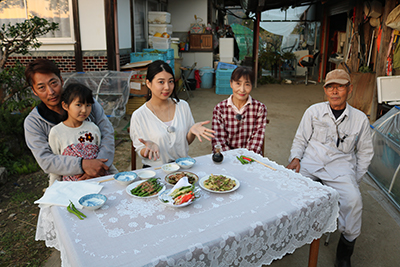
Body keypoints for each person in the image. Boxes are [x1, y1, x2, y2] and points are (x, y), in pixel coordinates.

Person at [286, 69, 374, 267]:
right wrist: (295, 158)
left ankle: (344, 254)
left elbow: (366, 153)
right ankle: (287, 240)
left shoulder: (360, 119)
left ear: (349, 89)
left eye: (340, 86)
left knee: (353, 201)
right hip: (310, 163)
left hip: (341, 168)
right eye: (330, 87)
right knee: (289, 193)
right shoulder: (313, 111)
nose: (335, 91)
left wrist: (354, 179)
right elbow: (300, 139)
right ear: (325, 90)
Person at [24, 58, 117, 184]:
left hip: (101, 174)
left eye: (54, 83)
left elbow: (107, 133)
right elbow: (46, 160)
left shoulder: (87, 104)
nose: (51, 92)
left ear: (61, 80)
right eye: (41, 87)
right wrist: (83, 165)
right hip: (66, 183)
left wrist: (97, 167)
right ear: (34, 91)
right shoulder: (34, 122)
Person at [129, 60, 215, 167]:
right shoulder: (139, 115)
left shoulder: (182, 106)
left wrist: (191, 132)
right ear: (148, 84)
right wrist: (147, 149)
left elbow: (184, 143)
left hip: (182, 168)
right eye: (161, 82)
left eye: (170, 81)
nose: (167, 87)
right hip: (156, 171)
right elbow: (140, 149)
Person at [48, 83, 113, 185]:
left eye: (88, 105)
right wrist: (52, 191)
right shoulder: (56, 132)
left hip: (97, 182)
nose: (84, 110)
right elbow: (55, 166)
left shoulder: (93, 128)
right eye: (79, 105)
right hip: (72, 187)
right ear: (65, 105)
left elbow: (102, 159)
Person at [211, 66, 267, 155]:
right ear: (231, 84)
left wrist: (243, 159)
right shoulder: (220, 108)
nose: (242, 90)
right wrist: (232, 160)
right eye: (238, 83)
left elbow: (256, 141)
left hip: (250, 158)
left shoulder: (259, 108)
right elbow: (218, 140)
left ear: (252, 86)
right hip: (226, 158)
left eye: (247, 84)